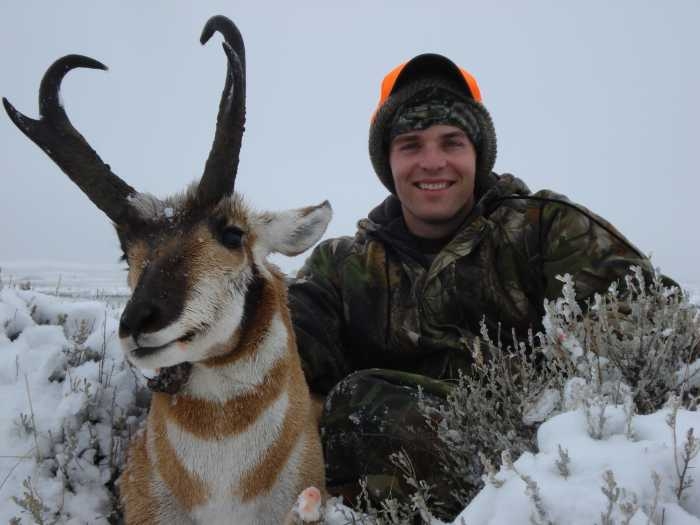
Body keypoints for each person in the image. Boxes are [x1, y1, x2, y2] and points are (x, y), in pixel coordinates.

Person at [288, 53, 655, 516]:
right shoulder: (341, 266)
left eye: (452, 142)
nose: (433, 162)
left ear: (477, 153)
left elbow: (648, 324)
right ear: (388, 161)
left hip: (556, 482)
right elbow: (283, 347)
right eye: (410, 144)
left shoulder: (545, 228)